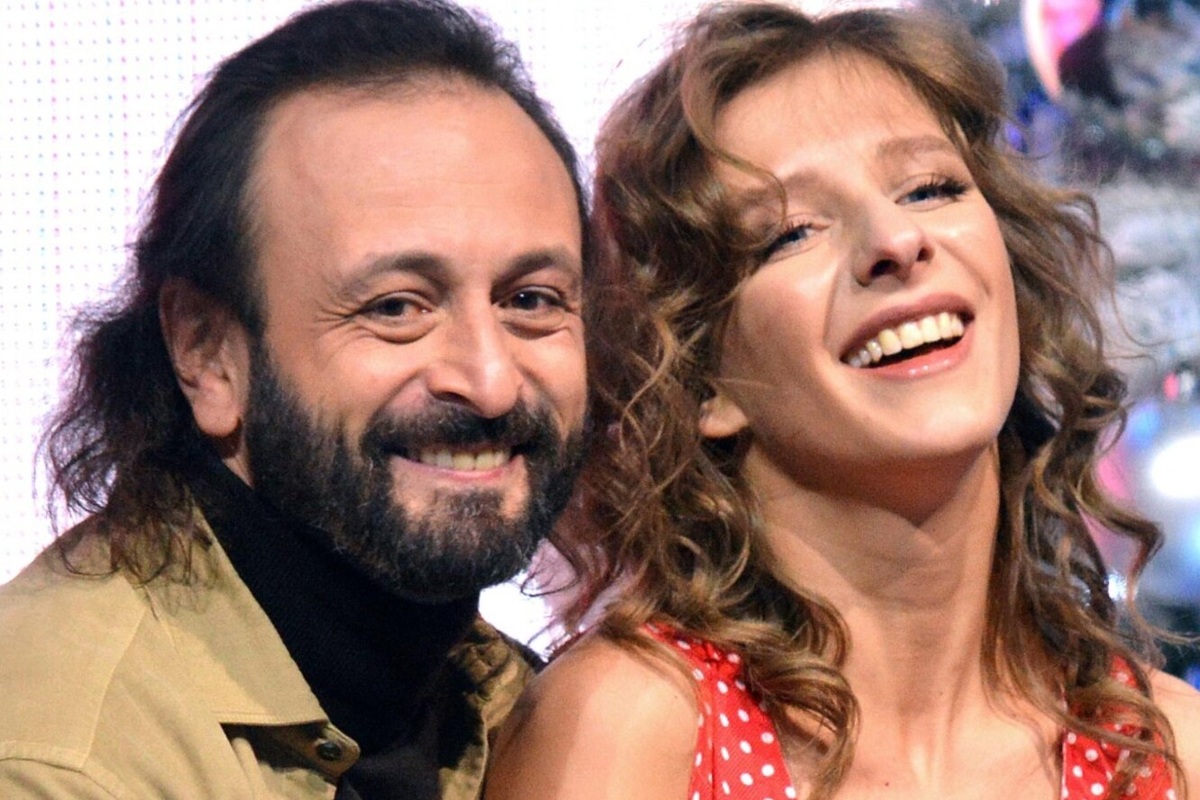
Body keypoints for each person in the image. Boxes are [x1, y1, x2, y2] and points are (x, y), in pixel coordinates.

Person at [485, 3, 1200, 799]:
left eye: (929, 188)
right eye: (790, 232)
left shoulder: (1166, 751)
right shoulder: (631, 728)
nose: (896, 242)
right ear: (700, 380)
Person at [0, 1, 591, 797]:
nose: (490, 381)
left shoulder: (503, 698)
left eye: (531, 300)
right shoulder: (65, 764)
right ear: (207, 352)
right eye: (396, 307)